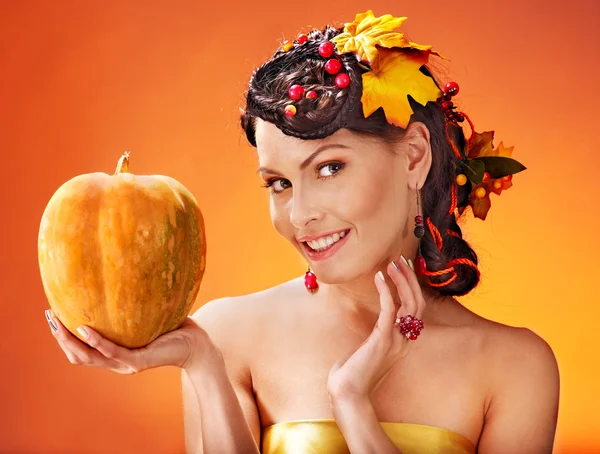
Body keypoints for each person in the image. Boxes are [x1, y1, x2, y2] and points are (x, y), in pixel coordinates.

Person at [44, 11, 560, 454]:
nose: (300, 214)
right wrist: (204, 366)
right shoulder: (225, 336)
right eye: (279, 183)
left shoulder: (517, 368)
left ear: (415, 156)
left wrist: (353, 403)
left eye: (330, 168)